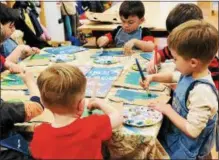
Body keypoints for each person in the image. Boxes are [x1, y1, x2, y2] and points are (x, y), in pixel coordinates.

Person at [141, 20, 218, 159]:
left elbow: (193, 130)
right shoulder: (191, 74)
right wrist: (153, 77)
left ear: (193, 62)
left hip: (187, 149)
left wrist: (167, 109)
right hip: (175, 136)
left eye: (175, 59)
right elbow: (174, 76)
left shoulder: (202, 92)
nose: (173, 63)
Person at [30, 64, 123, 159]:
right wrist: (101, 104)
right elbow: (118, 117)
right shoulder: (92, 125)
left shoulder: (39, 133)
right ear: (81, 104)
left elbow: (37, 154)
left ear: (42, 102)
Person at [147, 3, 219, 89]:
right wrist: (154, 60)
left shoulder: (210, 68)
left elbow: (211, 94)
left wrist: (184, 89)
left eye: (175, 59)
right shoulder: (183, 48)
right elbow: (164, 53)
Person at [0, 71, 44, 160]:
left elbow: (4, 126)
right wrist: (29, 81)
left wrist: (29, 128)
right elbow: (37, 107)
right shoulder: (4, 109)